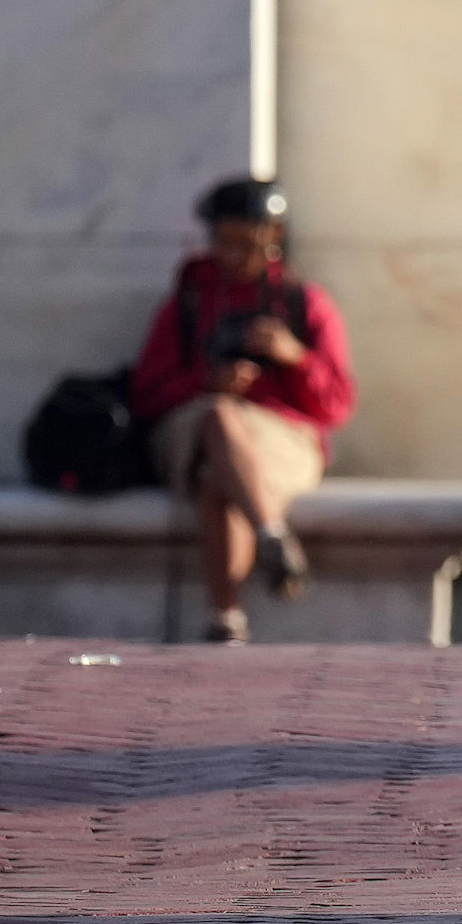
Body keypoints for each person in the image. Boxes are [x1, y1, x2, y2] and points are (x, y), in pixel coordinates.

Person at [126, 176, 354, 646]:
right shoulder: (190, 300)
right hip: (193, 426)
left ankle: (226, 620)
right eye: (224, 244)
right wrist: (206, 382)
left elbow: (336, 407)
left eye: (245, 244)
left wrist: (296, 358)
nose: (233, 257)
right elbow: (146, 394)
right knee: (219, 418)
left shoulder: (304, 303)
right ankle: (271, 536)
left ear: (272, 238)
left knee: (219, 482)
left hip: (280, 436)